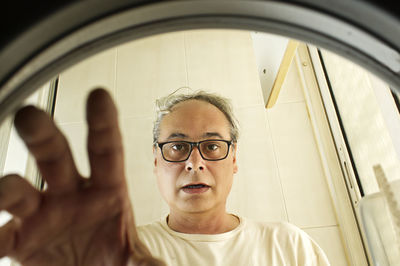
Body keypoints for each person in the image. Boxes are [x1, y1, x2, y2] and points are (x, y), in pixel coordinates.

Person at [0, 88, 329, 265]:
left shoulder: (289, 246)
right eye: (177, 147)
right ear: (156, 161)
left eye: (212, 146)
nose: (194, 162)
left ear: (234, 159)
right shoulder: (120, 246)